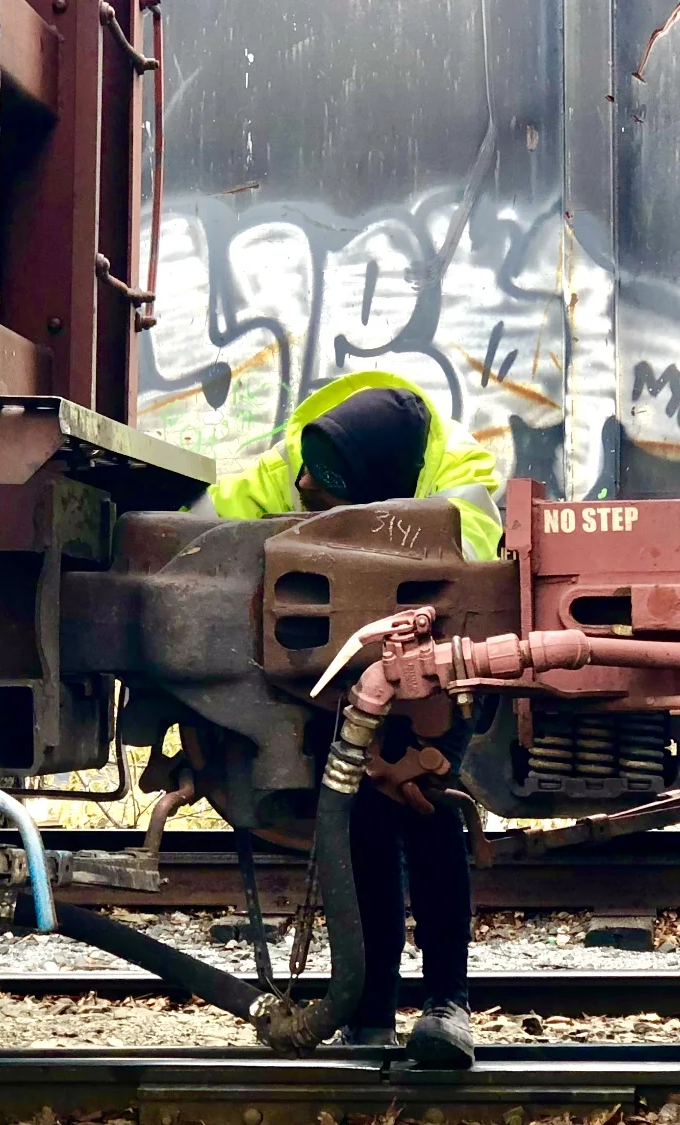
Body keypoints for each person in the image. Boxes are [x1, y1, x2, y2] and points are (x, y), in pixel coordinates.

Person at [202, 370, 503, 1067]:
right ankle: (367, 1010)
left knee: (428, 807)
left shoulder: (458, 474)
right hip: (331, 669)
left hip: (430, 664)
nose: (305, 489)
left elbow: (474, 567)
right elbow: (200, 531)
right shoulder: (297, 463)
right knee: (360, 820)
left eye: (327, 491)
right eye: (305, 474)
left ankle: (444, 1004)